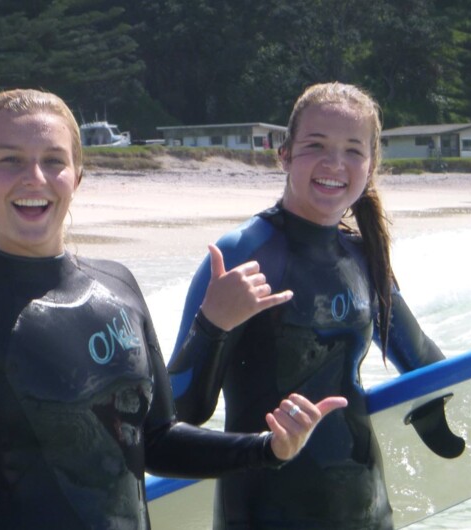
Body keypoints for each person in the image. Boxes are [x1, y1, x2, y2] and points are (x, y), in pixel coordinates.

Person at [0, 88, 348, 529]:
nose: (35, 178)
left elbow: (156, 439)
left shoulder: (117, 286)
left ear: (77, 177)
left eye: (53, 161)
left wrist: (270, 448)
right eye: (10, 161)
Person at [167, 82, 448, 529]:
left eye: (353, 150)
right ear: (285, 154)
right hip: (262, 513)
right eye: (316, 145)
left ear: (371, 165)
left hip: (367, 511)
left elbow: (425, 365)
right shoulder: (243, 253)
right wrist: (213, 324)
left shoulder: (363, 256)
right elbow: (178, 414)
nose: (334, 163)